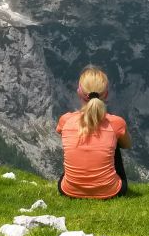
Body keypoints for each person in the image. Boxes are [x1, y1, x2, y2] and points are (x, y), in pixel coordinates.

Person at [56, 65, 131, 199]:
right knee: (116, 143)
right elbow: (126, 145)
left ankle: (77, 182)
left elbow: (61, 133)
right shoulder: (116, 123)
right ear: (106, 94)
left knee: (73, 142)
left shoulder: (65, 120)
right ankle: (103, 186)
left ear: (79, 91)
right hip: (111, 192)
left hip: (68, 191)